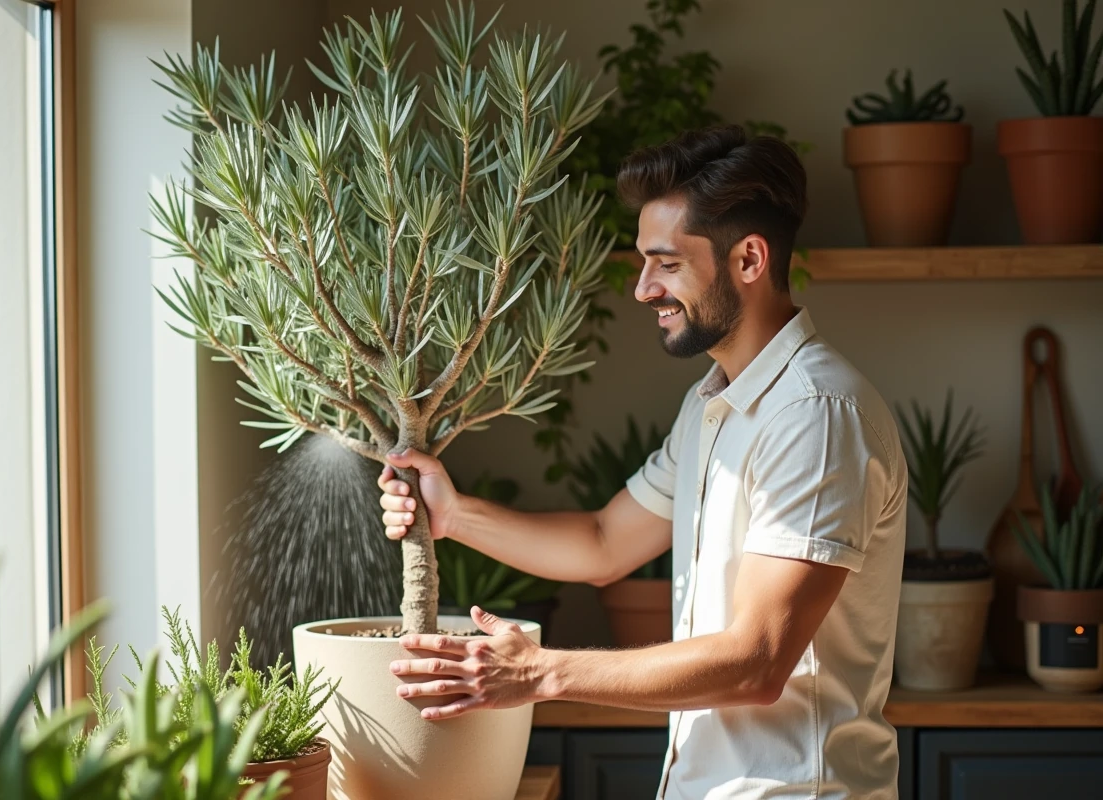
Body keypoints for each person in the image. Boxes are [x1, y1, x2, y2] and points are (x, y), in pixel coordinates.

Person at [378, 124, 907, 800]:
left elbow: (757, 661)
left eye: (666, 263)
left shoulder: (816, 414)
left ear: (748, 260)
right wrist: (454, 514)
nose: (643, 290)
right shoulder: (714, 402)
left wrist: (540, 673)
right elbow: (604, 543)